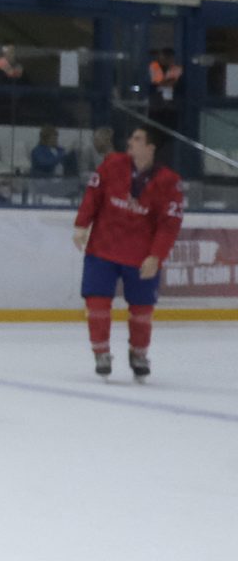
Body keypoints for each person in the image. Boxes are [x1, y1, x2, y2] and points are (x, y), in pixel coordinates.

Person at [74, 125, 184, 381]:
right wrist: (81, 224)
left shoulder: (169, 181)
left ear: (150, 147)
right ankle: (101, 352)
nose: (130, 142)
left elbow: (170, 223)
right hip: (103, 248)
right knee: (97, 303)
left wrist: (156, 256)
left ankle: (139, 353)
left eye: (137, 139)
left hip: (140, 254)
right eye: (130, 137)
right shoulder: (113, 165)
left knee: (142, 311)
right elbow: (93, 195)